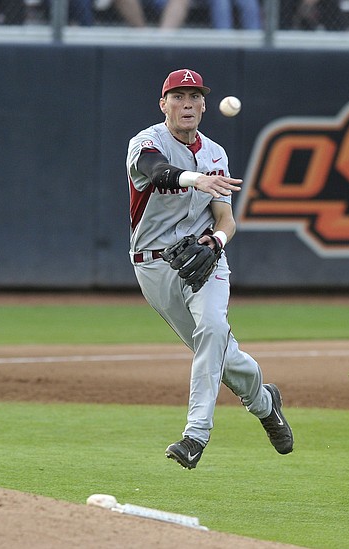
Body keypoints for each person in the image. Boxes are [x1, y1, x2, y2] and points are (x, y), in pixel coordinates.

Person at [125, 69, 294, 469]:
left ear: (203, 105)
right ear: (163, 104)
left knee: (213, 330)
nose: (187, 103)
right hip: (153, 265)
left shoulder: (216, 153)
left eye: (194, 96)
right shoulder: (146, 142)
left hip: (206, 260)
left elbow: (226, 219)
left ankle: (195, 436)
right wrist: (194, 179)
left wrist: (216, 241)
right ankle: (265, 403)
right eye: (178, 96)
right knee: (220, 352)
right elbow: (156, 171)